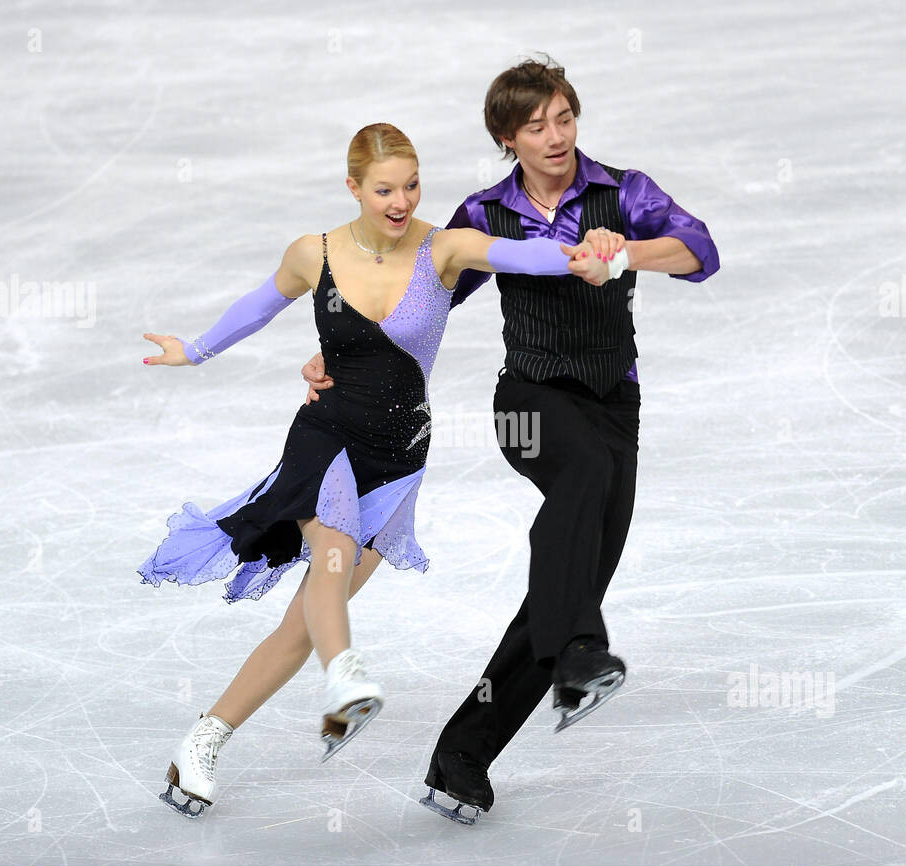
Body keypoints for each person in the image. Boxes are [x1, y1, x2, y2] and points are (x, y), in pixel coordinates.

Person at [137, 122, 606, 818]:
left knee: (304, 622)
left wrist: (579, 255)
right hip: (325, 436)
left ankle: (201, 740)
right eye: (384, 188)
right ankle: (347, 674)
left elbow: (516, 253)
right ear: (353, 187)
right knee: (331, 555)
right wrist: (194, 350)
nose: (400, 200)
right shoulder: (314, 252)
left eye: (412, 185)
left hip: (399, 455)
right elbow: (262, 304)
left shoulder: (443, 251)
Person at [302, 58, 720, 824]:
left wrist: (623, 251)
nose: (555, 136)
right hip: (528, 404)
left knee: (570, 576)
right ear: (508, 137)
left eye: (564, 118)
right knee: (582, 482)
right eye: (537, 126)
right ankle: (583, 650)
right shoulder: (486, 211)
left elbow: (700, 250)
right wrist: (346, 352)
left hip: (612, 405)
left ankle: (461, 758)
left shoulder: (622, 192)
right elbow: (424, 294)